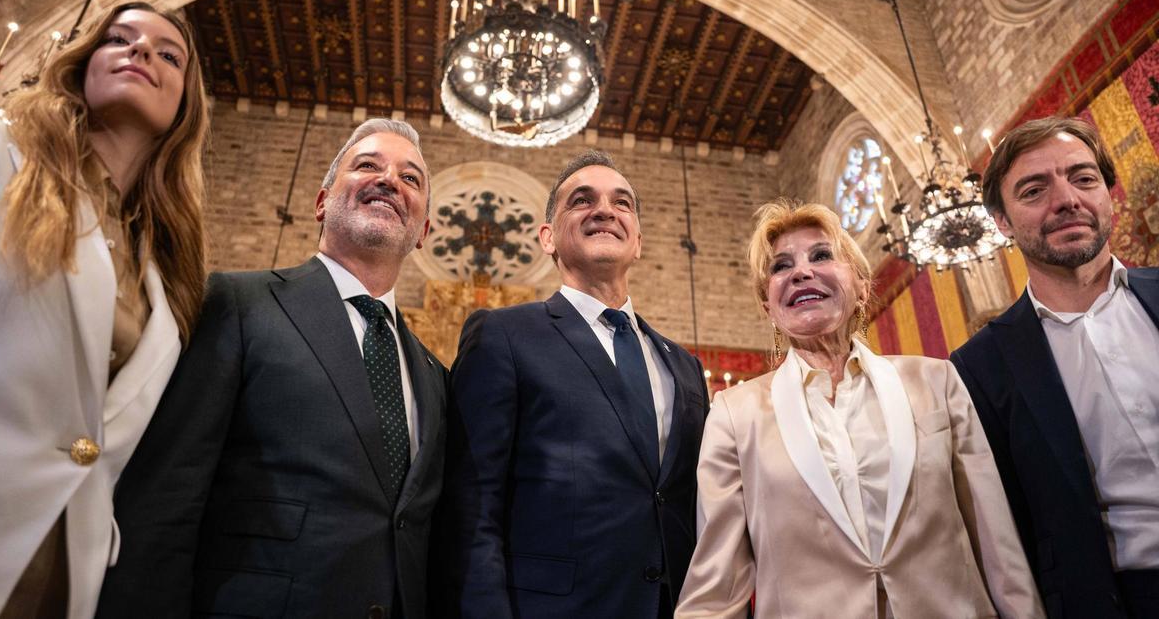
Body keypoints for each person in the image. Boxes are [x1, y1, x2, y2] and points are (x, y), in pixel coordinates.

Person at [96, 119, 447, 618]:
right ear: (322, 202)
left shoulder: (433, 375)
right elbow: (165, 496)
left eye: (411, 178)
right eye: (367, 165)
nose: (389, 179)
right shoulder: (239, 304)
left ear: (423, 232)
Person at [0, 1, 209, 619]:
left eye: (167, 53)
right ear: (82, 64)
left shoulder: (166, 271)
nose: (141, 51)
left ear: (186, 106)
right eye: (118, 39)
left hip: (65, 572)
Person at [676, 200, 1043, 618]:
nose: (800, 272)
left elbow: (996, 540)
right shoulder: (733, 414)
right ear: (768, 307)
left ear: (862, 286)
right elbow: (717, 585)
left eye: (821, 255)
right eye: (780, 267)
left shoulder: (936, 382)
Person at [440, 150, 709, 618]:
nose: (604, 210)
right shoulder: (504, 335)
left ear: (639, 240)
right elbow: (471, 506)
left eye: (621, 203)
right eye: (581, 200)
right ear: (547, 237)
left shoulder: (682, 365)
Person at [951, 116, 1159, 618]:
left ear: (1110, 194)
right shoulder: (979, 367)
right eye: (1034, 189)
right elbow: (1006, 523)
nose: (1066, 199)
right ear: (1002, 222)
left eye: (1083, 178)